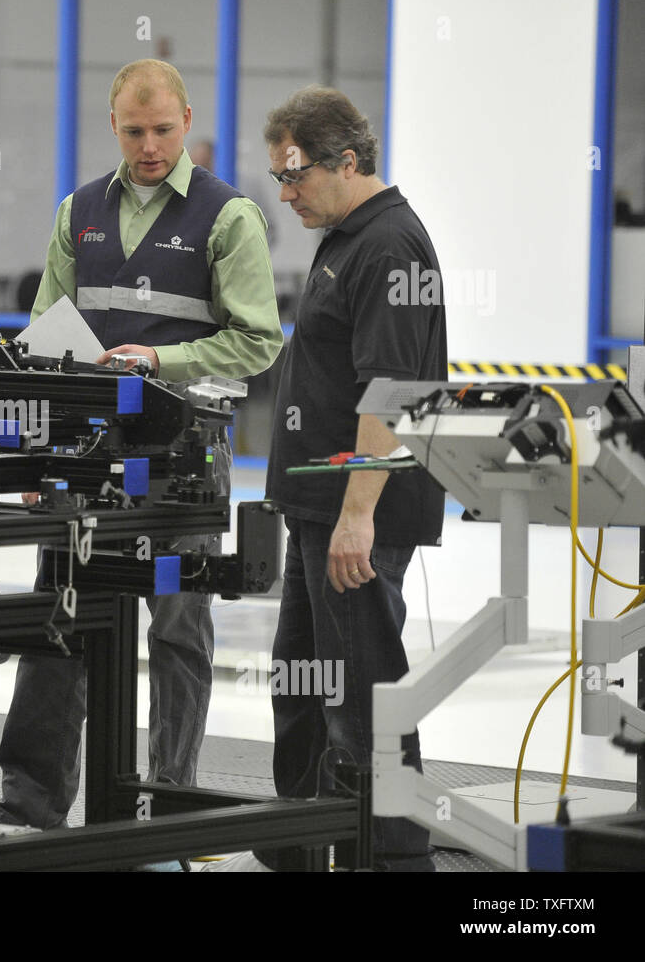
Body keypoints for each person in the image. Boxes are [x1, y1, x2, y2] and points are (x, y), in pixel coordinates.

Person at [0, 59, 283, 832]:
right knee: (62, 618)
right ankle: (31, 798)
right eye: (132, 130)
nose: (148, 146)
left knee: (176, 628)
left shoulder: (229, 218)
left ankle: (166, 799)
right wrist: (31, 452)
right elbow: (45, 337)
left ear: (186, 120)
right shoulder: (78, 212)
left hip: (181, 458)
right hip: (85, 458)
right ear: (112, 126)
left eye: (161, 129)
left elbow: (258, 342)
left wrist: (162, 360)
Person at [219, 86, 446, 871]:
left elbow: (389, 391)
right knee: (305, 687)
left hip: (358, 515)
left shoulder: (389, 246)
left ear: (345, 162)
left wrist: (358, 516)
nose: (283, 197)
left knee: (364, 698)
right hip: (319, 509)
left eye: (294, 177)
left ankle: (392, 858)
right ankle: (294, 849)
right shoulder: (347, 235)